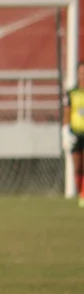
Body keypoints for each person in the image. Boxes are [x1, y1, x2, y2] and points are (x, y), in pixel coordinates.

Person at [62, 61, 84, 207]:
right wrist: (65, 132)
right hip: (76, 133)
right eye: (81, 72)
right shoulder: (72, 93)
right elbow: (67, 113)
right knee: (78, 167)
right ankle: (80, 191)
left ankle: (83, 194)